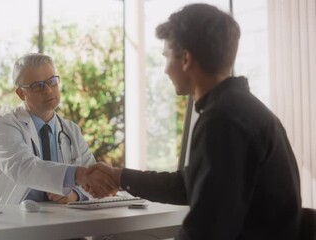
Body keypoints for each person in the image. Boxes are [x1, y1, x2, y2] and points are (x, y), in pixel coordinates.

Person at [86, 3, 302, 240]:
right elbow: (187, 185)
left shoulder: (222, 121)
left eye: (167, 57)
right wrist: (119, 176)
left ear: (186, 59)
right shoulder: (243, 108)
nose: (166, 70)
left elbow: (207, 231)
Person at [0, 53, 116, 206]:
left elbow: (91, 180)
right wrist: (76, 174)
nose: (48, 90)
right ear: (21, 93)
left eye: (52, 82)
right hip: (9, 220)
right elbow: (24, 167)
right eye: (37, 86)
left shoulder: (71, 130)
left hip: (59, 219)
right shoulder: (4, 126)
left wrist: (75, 195)